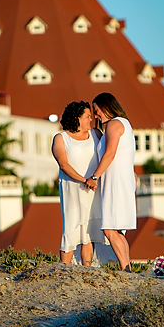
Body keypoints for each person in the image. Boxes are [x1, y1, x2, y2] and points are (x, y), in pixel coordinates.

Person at [84, 92, 136, 272]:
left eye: (96, 110)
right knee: (116, 229)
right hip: (119, 179)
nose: (95, 114)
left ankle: (125, 269)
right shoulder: (121, 125)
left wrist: (94, 176)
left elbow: (110, 153)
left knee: (109, 229)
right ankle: (126, 267)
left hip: (115, 181)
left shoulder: (115, 124)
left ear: (106, 107)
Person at [51, 101, 99, 266]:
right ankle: (64, 270)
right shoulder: (61, 138)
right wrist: (85, 180)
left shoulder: (95, 134)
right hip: (72, 189)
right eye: (87, 116)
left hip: (93, 190)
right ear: (76, 118)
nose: (90, 120)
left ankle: (87, 271)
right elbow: (63, 165)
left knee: (88, 231)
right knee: (71, 228)